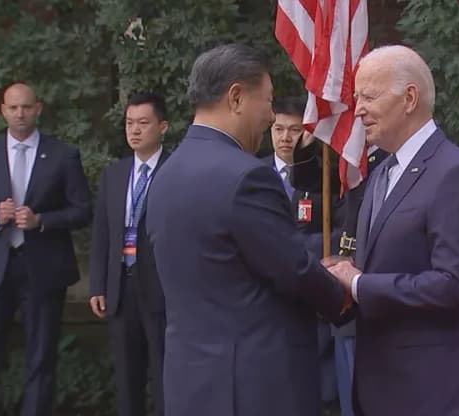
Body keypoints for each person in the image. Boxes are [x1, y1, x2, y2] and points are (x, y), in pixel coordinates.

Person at [145, 43, 349, 416]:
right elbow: (293, 269)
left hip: (190, 382)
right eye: (267, 101)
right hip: (254, 386)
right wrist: (344, 295)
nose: (271, 116)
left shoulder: (165, 175)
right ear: (236, 97)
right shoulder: (247, 176)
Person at [325, 45, 459, 415]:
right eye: (356, 98)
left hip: (432, 393)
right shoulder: (381, 173)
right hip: (379, 390)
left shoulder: (453, 172)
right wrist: (337, 284)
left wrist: (359, 284)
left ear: (410, 98)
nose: (359, 109)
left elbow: (452, 286)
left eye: (369, 97)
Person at [0, 82, 91, 416]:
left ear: (38, 109)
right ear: (3, 111)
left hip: (43, 270)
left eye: (26, 107)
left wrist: (41, 220)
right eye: (13, 108)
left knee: (41, 359)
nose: (20, 114)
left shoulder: (63, 155)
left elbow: (82, 211)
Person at [291, 120, 387, 416]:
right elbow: (307, 178)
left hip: (373, 288)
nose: (360, 110)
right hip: (347, 295)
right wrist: (314, 130)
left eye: (369, 99)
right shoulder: (354, 155)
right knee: (349, 401)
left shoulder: (388, 158)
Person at [88, 92, 170, 416]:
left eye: (143, 123)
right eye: (129, 123)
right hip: (121, 286)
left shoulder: (174, 170)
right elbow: (102, 233)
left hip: (161, 288)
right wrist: (98, 284)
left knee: (164, 376)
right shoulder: (114, 174)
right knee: (126, 378)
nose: (134, 130)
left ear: (162, 126)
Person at [266, 95, 343, 409]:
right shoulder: (252, 174)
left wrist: (293, 251)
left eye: (294, 130)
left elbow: (338, 233)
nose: (285, 137)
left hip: (311, 289)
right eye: (278, 129)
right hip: (268, 295)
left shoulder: (325, 177)